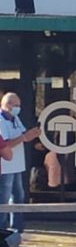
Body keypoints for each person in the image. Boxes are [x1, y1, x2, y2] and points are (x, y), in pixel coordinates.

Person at [0, 93, 41, 231]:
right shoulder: (1, 121)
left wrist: (32, 134)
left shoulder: (15, 118)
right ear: (7, 105)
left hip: (17, 164)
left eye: (19, 105)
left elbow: (23, 134)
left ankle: (17, 227)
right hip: (6, 166)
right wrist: (24, 137)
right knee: (4, 197)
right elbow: (4, 144)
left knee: (18, 196)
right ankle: (1, 228)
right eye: (15, 105)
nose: (18, 108)